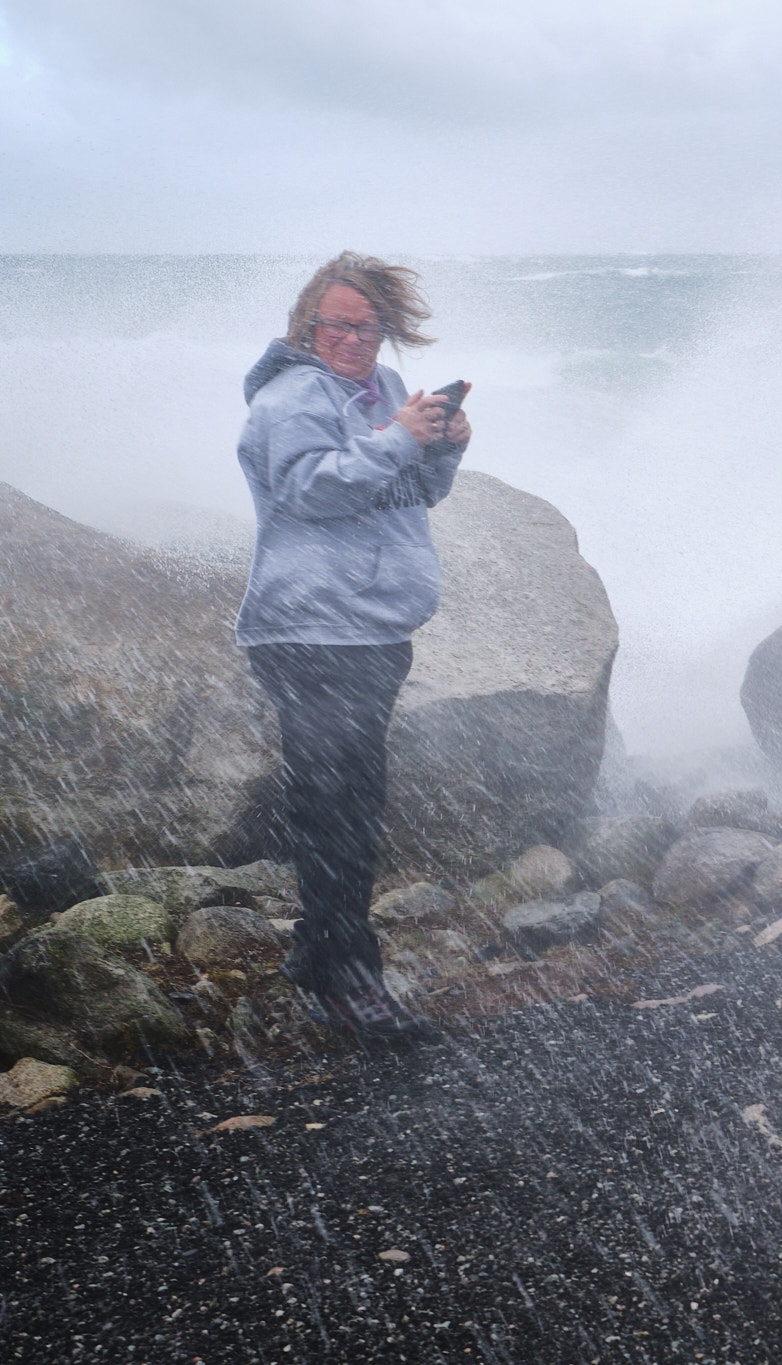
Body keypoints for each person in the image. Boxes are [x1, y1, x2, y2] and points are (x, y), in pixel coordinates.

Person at [235, 252, 471, 1040]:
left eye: (369, 326)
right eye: (338, 323)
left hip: (373, 628)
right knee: (337, 809)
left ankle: (317, 957)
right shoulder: (291, 395)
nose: (355, 338)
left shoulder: (389, 394)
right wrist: (399, 440)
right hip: (310, 629)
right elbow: (309, 489)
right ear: (308, 324)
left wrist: (440, 444)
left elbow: (416, 491)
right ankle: (350, 981)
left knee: (351, 804)